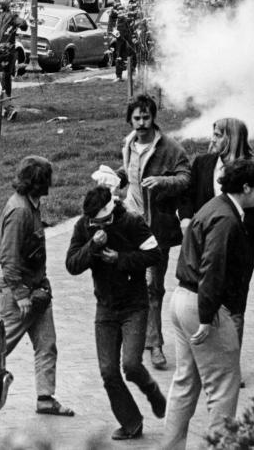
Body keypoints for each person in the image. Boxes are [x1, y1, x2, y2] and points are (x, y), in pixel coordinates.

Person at [161, 159, 254, 449]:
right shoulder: (227, 219)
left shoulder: (213, 207)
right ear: (245, 187)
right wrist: (208, 317)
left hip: (181, 299)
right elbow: (213, 269)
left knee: (185, 383)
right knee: (223, 388)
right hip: (202, 305)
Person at [66, 186, 166, 441]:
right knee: (108, 371)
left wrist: (120, 259)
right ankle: (131, 422)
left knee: (131, 365)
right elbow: (72, 265)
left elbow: (155, 254)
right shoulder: (84, 226)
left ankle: (152, 390)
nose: (93, 225)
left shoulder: (132, 222)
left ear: (110, 211)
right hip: (106, 307)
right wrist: (91, 245)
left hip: (134, 305)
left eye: (98, 221)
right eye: (90, 221)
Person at [178, 119, 254, 372]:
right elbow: (187, 195)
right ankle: (205, 354)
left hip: (238, 248)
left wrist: (233, 225)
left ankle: (231, 363)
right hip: (203, 245)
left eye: (219, 135)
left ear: (231, 138)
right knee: (203, 292)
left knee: (234, 304)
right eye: (213, 134)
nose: (213, 140)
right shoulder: (204, 163)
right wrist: (186, 218)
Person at [112, 94, 191, 372]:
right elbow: (131, 171)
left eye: (146, 117)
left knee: (153, 286)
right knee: (135, 283)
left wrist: (162, 181)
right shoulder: (129, 143)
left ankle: (155, 345)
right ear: (130, 120)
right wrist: (117, 177)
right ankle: (143, 336)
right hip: (131, 226)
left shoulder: (169, 148)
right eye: (137, 118)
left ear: (153, 117)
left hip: (157, 228)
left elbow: (185, 178)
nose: (142, 123)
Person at [0, 156, 75, 417]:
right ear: (38, 182)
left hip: (36, 291)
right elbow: (7, 257)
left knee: (46, 344)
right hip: (19, 294)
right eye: (47, 178)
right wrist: (20, 296)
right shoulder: (19, 211)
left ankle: (45, 398)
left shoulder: (31, 204)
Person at [0, 0, 26, 121]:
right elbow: (24, 25)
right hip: (7, 53)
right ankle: (6, 108)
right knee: (4, 81)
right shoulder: (10, 17)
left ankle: (2, 108)